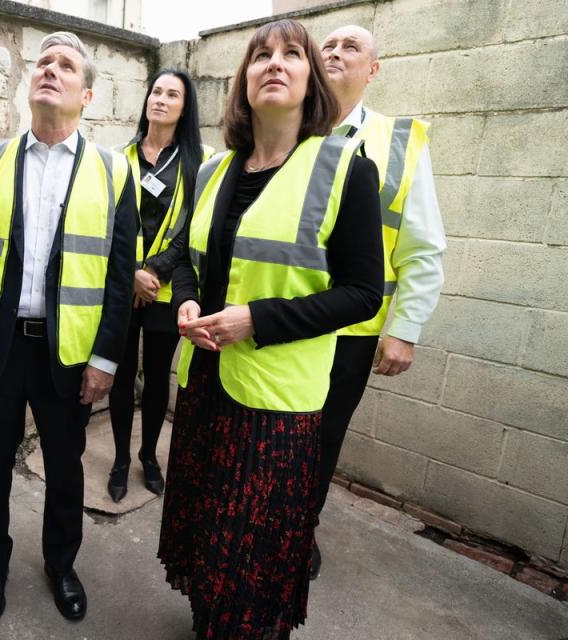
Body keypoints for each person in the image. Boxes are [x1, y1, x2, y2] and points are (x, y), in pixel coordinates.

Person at [157, 19, 384, 639]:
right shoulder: (212, 171)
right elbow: (186, 259)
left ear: (312, 78)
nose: (274, 63)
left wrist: (257, 319)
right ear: (244, 80)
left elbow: (364, 294)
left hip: (275, 405)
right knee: (208, 530)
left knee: (250, 551)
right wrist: (185, 302)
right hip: (205, 383)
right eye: (260, 55)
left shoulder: (344, 169)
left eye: (291, 54)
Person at [0, 31, 136, 623]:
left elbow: (119, 277)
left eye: (65, 65)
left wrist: (105, 359)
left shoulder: (113, 171)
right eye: (43, 62)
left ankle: (60, 562)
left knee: (65, 468)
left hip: (67, 355)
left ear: (87, 95)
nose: (50, 70)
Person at [311, 25, 446, 578]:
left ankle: (299, 530)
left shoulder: (398, 142)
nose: (336, 54)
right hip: (276, 325)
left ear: (374, 70)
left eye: (351, 48)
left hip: (349, 335)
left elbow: (423, 245)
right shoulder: (286, 129)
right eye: (327, 47)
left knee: (321, 441)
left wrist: (405, 326)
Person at [107, 68, 210, 503]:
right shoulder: (119, 157)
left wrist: (156, 272)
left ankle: (149, 456)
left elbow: (194, 228)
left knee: (155, 379)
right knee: (120, 374)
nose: (160, 99)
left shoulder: (200, 161)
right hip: (124, 286)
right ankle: (120, 460)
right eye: (156, 91)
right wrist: (131, 273)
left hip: (167, 291)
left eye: (172, 94)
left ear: (184, 108)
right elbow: (105, 222)